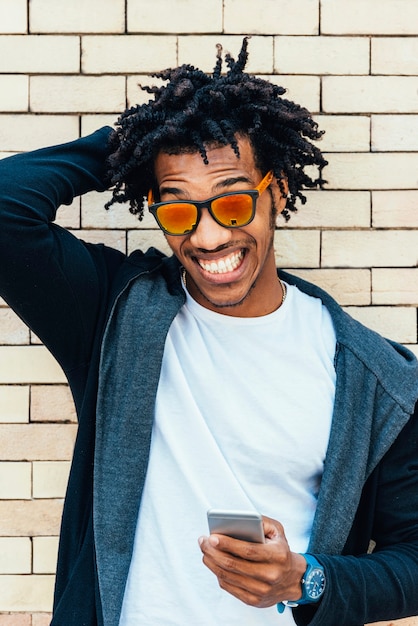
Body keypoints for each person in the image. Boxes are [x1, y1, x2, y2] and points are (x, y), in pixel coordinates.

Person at [0, 37, 417, 626]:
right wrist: (137, 141)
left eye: (233, 204)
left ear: (277, 191)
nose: (207, 237)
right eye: (178, 209)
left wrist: (308, 579)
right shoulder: (112, 314)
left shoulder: (373, 377)